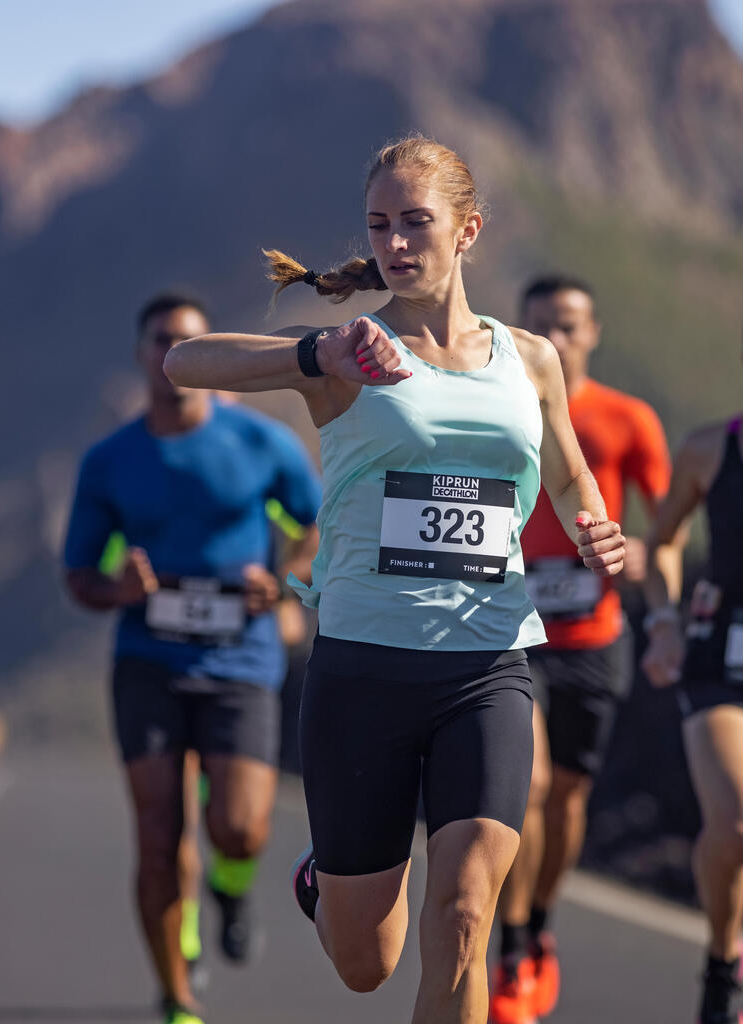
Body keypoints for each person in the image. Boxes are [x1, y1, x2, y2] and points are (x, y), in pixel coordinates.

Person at [164, 135, 625, 1024]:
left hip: (487, 663)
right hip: (363, 670)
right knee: (365, 964)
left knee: (461, 918)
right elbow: (186, 364)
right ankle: (324, 879)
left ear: (468, 232)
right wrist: (314, 357)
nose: (396, 242)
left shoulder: (529, 359)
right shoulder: (352, 351)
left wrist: (591, 526)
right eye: (380, 225)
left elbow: (566, 474)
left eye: (417, 221)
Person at [63, 293, 321, 1024]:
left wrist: (285, 582)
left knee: (240, 828)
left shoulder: (262, 444)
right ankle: (176, 998)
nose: (173, 352)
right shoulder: (109, 462)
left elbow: (315, 525)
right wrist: (117, 587)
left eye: (188, 341)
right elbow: (78, 577)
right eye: (160, 340)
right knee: (156, 837)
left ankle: (231, 887)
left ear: (209, 356)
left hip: (240, 661)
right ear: (144, 354)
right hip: (148, 664)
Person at [489, 275, 671, 1023]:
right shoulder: (494, 413)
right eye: (539, 326)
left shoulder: (629, 420)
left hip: (594, 639)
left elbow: (666, 535)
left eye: (567, 326)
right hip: (510, 636)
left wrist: (659, 611)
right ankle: (510, 943)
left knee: (566, 802)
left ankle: (539, 924)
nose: (554, 340)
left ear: (593, 332)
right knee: (525, 790)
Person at [642, 340, 743, 1024]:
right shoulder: (711, 449)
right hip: (717, 664)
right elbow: (663, 541)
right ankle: (720, 955)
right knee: (735, 819)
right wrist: (665, 623)